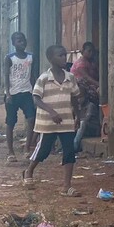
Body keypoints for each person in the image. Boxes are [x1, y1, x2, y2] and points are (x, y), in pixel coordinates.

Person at [22, 45, 81, 197]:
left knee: (69, 151)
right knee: (43, 150)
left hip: (66, 121)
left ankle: (67, 186)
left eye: (64, 55)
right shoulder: (44, 78)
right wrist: (51, 111)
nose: (64, 58)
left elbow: (75, 98)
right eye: (60, 55)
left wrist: (78, 116)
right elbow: (36, 98)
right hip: (48, 123)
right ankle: (28, 171)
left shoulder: (70, 78)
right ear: (51, 59)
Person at [3, 32, 36, 163]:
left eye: (23, 40)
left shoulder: (31, 57)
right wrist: (8, 93)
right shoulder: (9, 58)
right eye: (18, 41)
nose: (21, 42)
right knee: (10, 122)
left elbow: (33, 75)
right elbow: (6, 76)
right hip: (13, 93)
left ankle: (27, 148)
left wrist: (35, 92)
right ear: (13, 43)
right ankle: (11, 152)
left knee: (31, 118)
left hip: (27, 92)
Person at [71, 41, 101, 152]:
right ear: (83, 51)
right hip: (81, 91)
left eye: (92, 51)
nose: (91, 53)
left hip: (87, 91)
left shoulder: (91, 62)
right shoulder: (80, 64)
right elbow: (87, 78)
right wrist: (100, 85)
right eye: (88, 51)